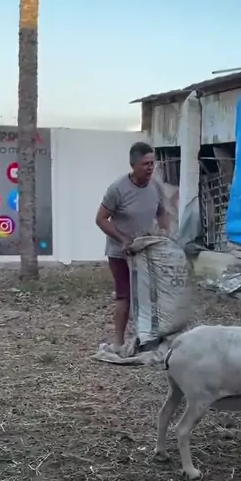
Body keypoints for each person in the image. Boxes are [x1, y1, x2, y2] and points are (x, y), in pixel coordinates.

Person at [95, 142, 169, 353]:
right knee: (125, 296)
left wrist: (166, 233)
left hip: (145, 252)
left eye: (152, 163)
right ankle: (118, 343)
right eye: (145, 164)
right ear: (133, 165)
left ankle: (146, 338)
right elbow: (101, 219)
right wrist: (122, 239)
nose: (150, 167)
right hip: (120, 253)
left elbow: (162, 213)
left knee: (148, 297)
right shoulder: (118, 189)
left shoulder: (156, 187)